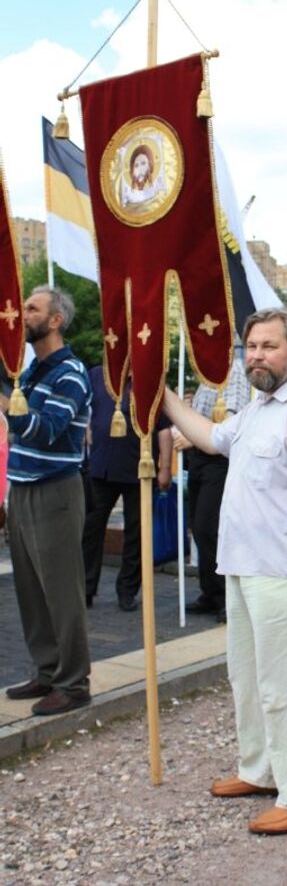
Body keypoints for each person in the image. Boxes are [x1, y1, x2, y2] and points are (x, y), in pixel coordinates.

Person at [163, 307, 287, 836]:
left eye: (268, 345)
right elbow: (211, 437)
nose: (256, 356)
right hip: (243, 566)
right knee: (248, 677)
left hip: (282, 569)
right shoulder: (260, 409)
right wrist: (163, 396)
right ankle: (261, 770)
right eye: (251, 347)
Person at [2, 286, 92, 715]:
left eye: (32, 308)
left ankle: (73, 685)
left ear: (55, 320)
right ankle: (48, 670)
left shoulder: (70, 372)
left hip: (55, 490)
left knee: (61, 591)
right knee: (32, 590)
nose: (23, 314)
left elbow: (45, 429)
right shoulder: (33, 371)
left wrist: (3, 400)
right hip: (22, 488)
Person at [82, 367, 173, 611]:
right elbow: (84, 409)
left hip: (139, 469)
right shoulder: (96, 376)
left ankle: (127, 591)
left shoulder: (147, 377)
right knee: (91, 530)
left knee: (137, 533)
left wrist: (165, 467)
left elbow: (163, 429)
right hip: (102, 467)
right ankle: (86, 589)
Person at [173, 358, 250, 623]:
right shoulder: (207, 373)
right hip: (200, 458)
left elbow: (233, 415)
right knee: (198, 525)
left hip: (219, 459)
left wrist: (195, 435)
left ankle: (227, 596)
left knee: (210, 527)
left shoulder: (233, 369)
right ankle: (210, 592)